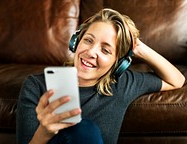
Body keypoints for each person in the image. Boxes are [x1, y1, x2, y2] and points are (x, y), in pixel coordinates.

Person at [16, 8, 185, 144]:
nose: (91, 52)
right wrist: (44, 132)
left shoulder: (123, 84)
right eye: (88, 40)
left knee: (85, 130)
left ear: (118, 63)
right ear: (76, 41)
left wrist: (140, 49)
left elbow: (177, 80)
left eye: (105, 50)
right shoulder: (36, 85)